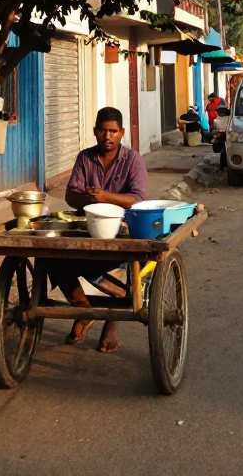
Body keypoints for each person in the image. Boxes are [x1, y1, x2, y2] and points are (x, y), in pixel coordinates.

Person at [47, 107, 147, 353]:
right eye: (103, 130)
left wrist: (104, 197)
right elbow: (71, 194)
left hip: (121, 231)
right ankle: (84, 309)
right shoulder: (85, 158)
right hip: (86, 228)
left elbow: (137, 199)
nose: (107, 136)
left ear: (122, 133)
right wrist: (88, 201)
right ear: (95, 132)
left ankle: (112, 321)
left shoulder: (133, 160)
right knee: (51, 257)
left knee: (124, 266)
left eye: (113, 131)